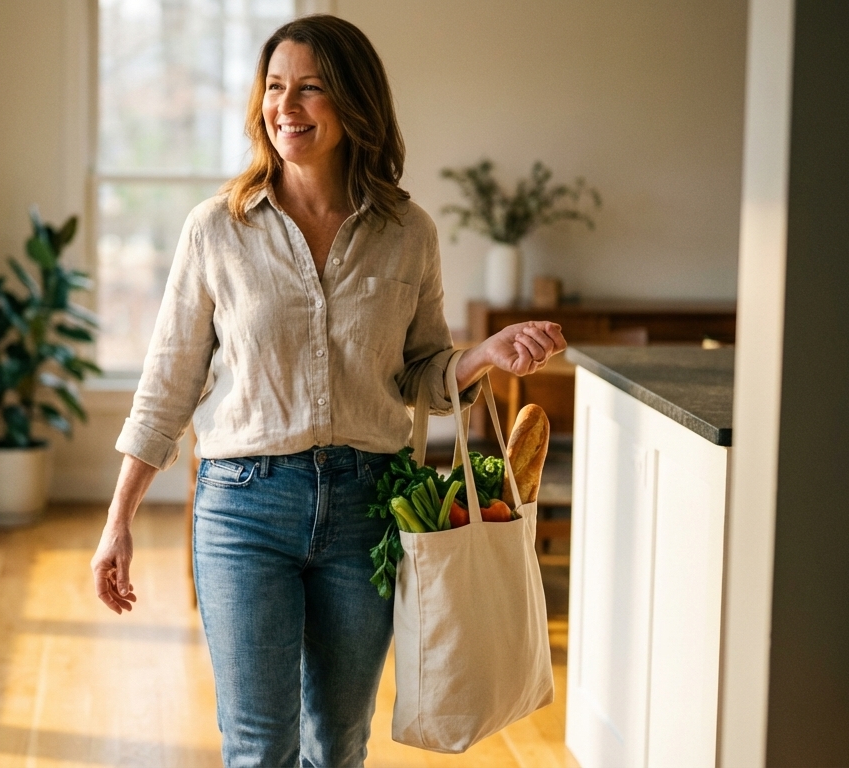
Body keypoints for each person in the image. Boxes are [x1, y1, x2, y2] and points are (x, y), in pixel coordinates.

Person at [90, 14, 566, 768]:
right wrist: (119, 518)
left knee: (339, 744)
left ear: (353, 104)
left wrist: (481, 357)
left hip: (365, 509)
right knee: (258, 744)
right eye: (276, 88)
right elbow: (167, 384)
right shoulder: (217, 228)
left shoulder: (408, 231)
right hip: (244, 507)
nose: (287, 107)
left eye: (310, 89)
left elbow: (419, 374)